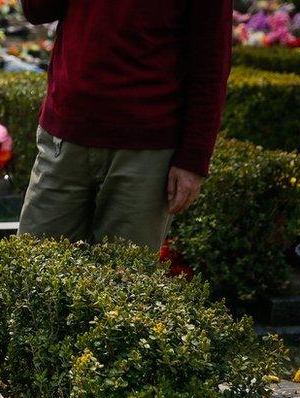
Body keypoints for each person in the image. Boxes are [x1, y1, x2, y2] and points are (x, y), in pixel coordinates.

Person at [18, 0, 233, 250]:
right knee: (34, 268)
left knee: (125, 280)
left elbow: (211, 61)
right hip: (65, 137)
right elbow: (38, 10)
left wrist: (193, 159)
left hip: (145, 153)